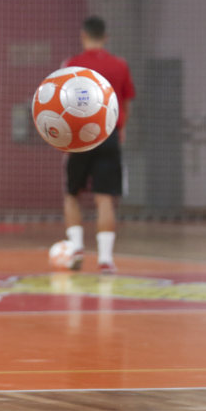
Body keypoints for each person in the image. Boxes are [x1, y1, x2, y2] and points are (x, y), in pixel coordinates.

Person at [52, 16, 135, 273]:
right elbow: (125, 103)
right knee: (105, 199)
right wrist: (119, 131)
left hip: (79, 137)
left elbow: (60, 103)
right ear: (106, 36)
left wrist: (63, 138)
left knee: (72, 194)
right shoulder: (120, 66)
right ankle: (106, 259)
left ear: (83, 35)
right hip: (108, 135)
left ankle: (76, 248)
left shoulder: (72, 65)